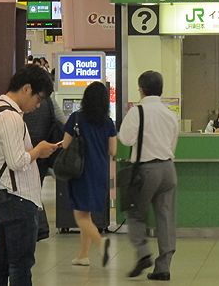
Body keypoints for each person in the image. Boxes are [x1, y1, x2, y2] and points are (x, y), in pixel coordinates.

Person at [0, 65, 60, 286]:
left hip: (7, 198)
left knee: (1, 263)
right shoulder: (10, 117)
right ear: (27, 89)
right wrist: (39, 150)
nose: (38, 106)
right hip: (17, 199)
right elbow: (16, 161)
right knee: (20, 266)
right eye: (39, 98)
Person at [119, 71, 179, 281]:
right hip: (168, 169)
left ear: (141, 89)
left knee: (135, 212)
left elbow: (125, 139)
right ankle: (163, 267)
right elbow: (173, 144)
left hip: (145, 170)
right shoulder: (170, 113)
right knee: (165, 218)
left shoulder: (138, 112)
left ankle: (143, 252)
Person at [62, 81, 117, 267]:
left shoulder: (76, 118)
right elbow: (113, 150)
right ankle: (83, 255)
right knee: (87, 214)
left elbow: (65, 145)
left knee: (81, 216)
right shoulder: (108, 123)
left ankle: (102, 245)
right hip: (100, 171)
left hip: (81, 172)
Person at [22, 94, 66, 240]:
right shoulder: (49, 99)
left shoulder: (21, 100)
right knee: (35, 189)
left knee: (27, 192)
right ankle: (40, 227)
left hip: (25, 150)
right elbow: (62, 120)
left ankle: (39, 227)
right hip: (43, 151)